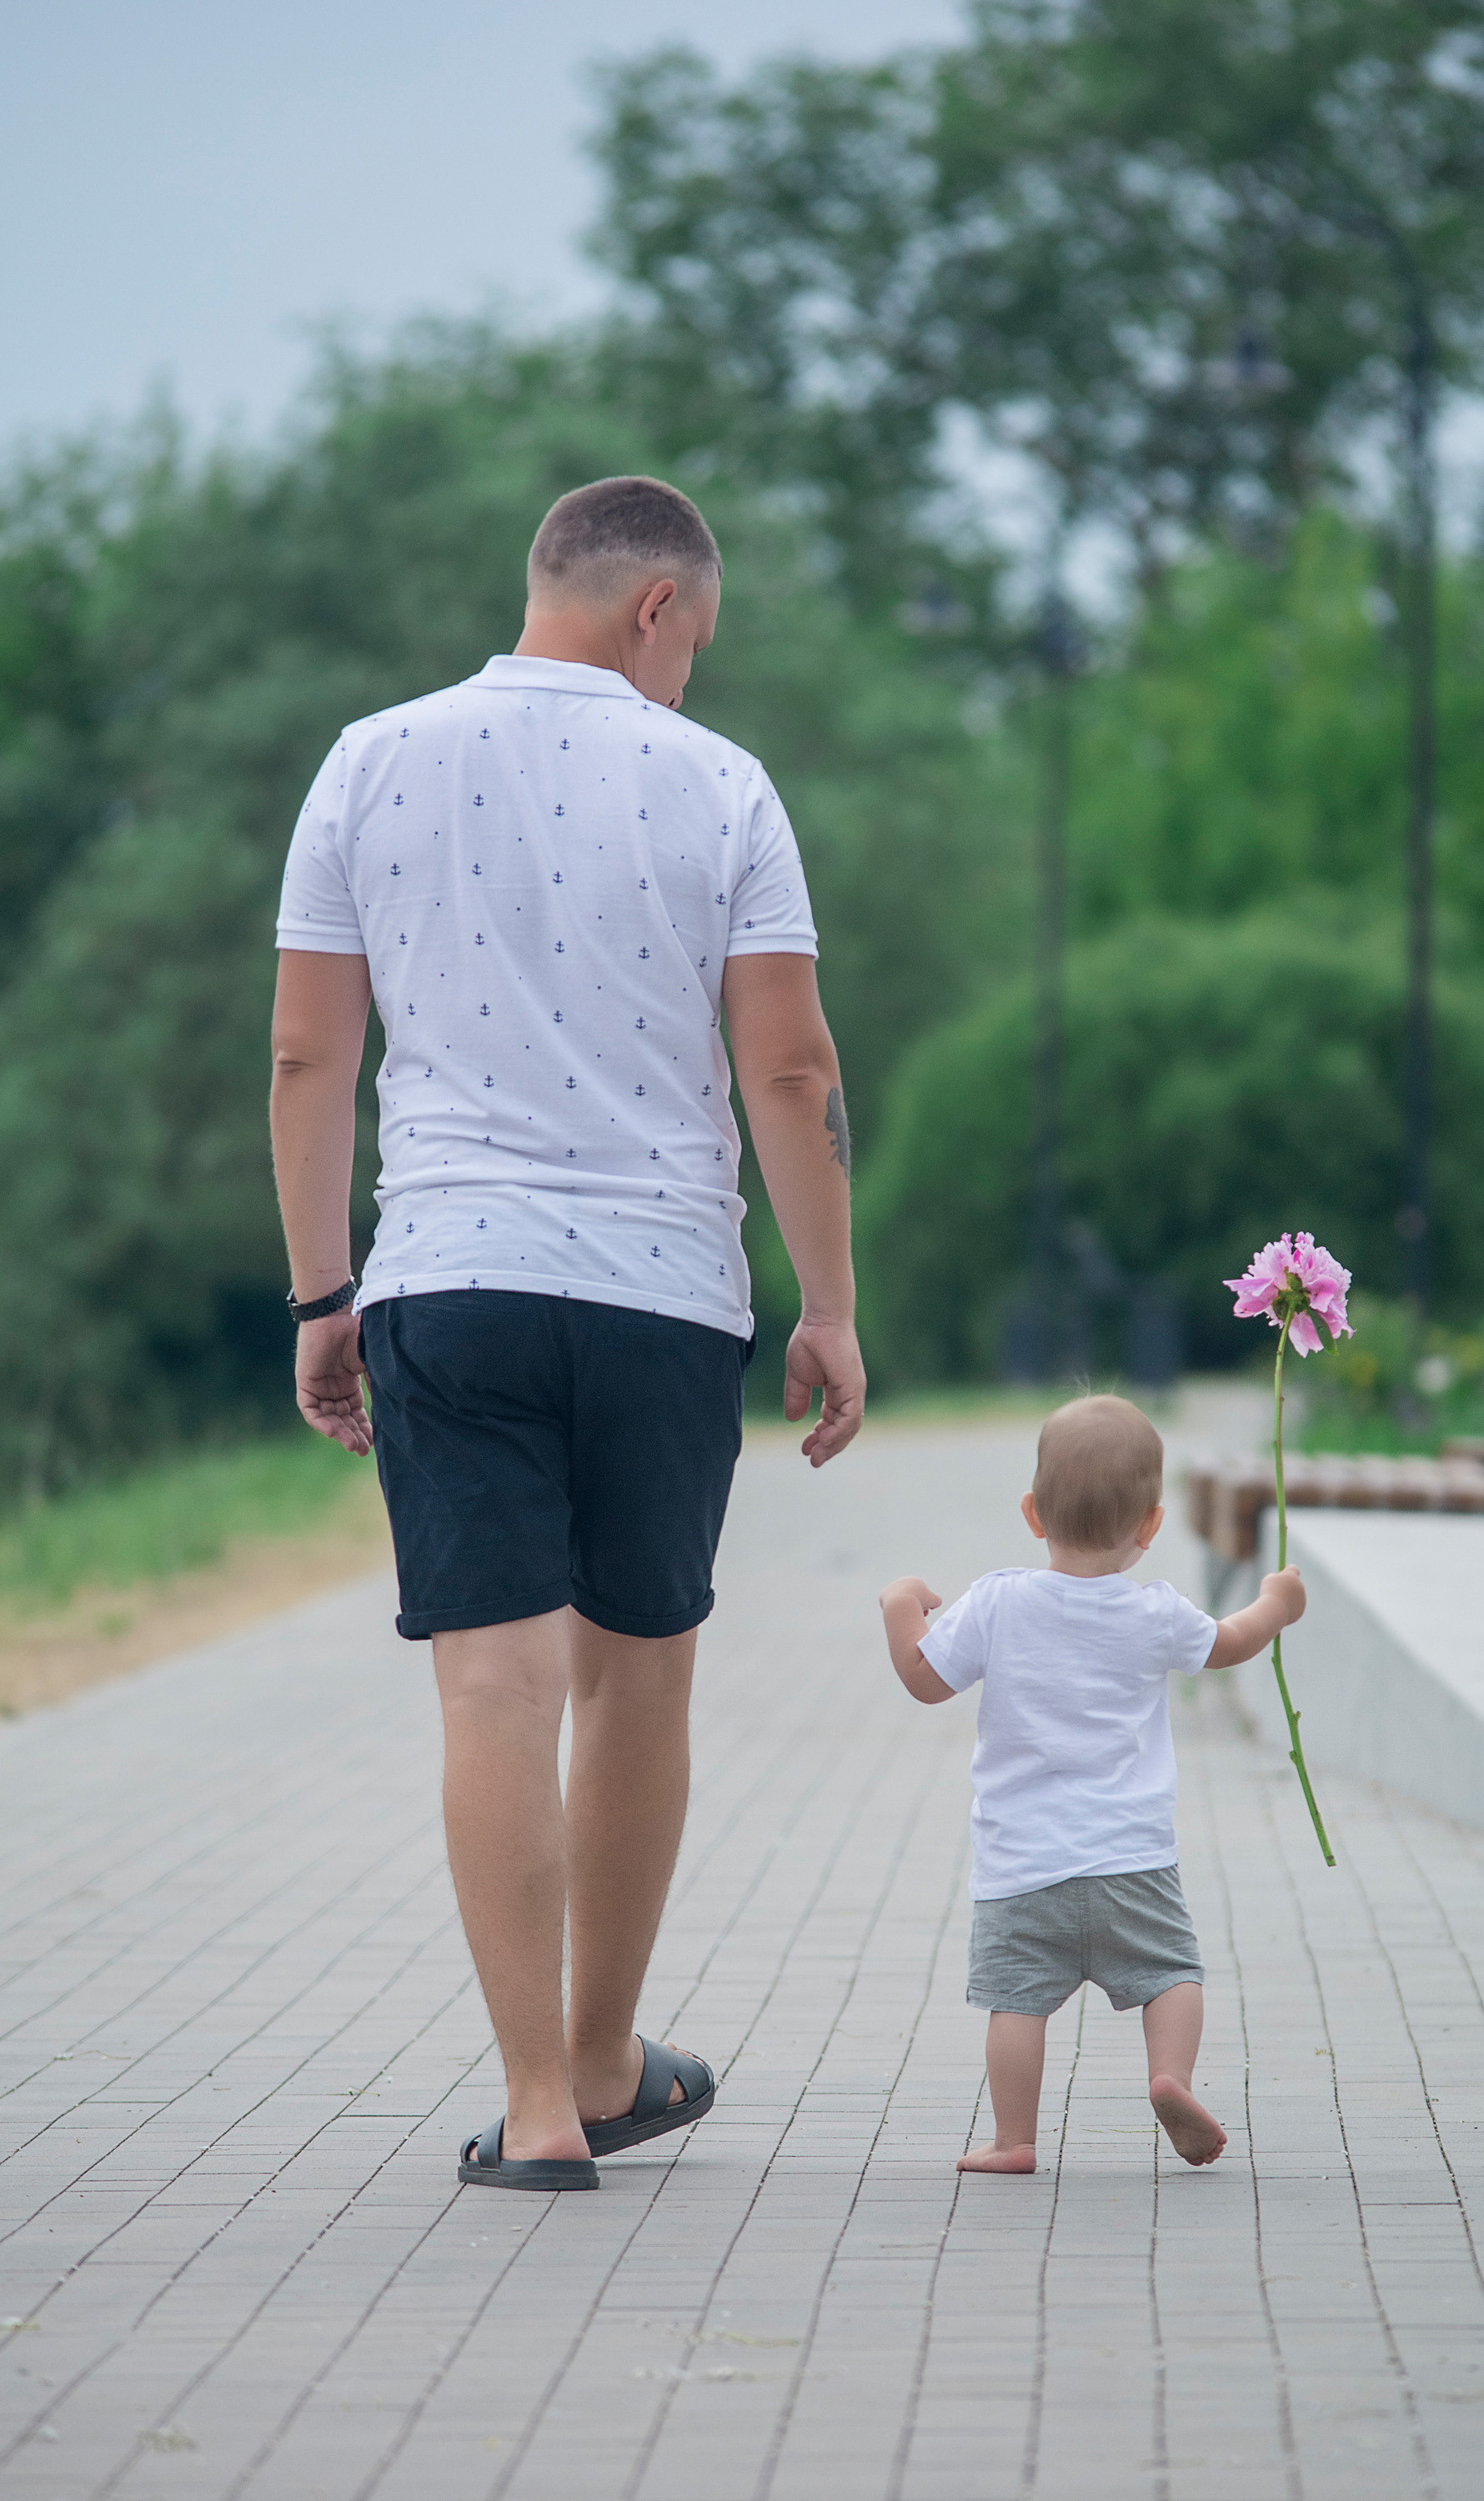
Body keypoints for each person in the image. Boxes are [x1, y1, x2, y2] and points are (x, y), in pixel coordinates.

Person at [270, 474, 865, 2193]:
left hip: (447, 1274)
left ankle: (536, 2109)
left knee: (491, 1687)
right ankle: (609, 2062)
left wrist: (325, 1296)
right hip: (665, 1291)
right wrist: (825, 1305)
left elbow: (312, 1061)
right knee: (635, 1680)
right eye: (697, 645)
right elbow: (793, 1068)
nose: (690, 678)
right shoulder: (719, 785)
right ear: (655, 612)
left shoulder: (368, 758)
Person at [879, 1393, 1303, 2177]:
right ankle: (1168, 2074)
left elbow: (924, 1680)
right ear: (1150, 1526)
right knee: (1172, 1974)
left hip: (1022, 1868)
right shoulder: (1156, 1613)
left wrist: (901, 1605)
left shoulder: (999, 1601)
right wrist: (1275, 1605)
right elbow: (1233, 1643)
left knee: (1018, 2003)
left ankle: (1014, 2140)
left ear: (1033, 1513)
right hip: (1132, 1860)